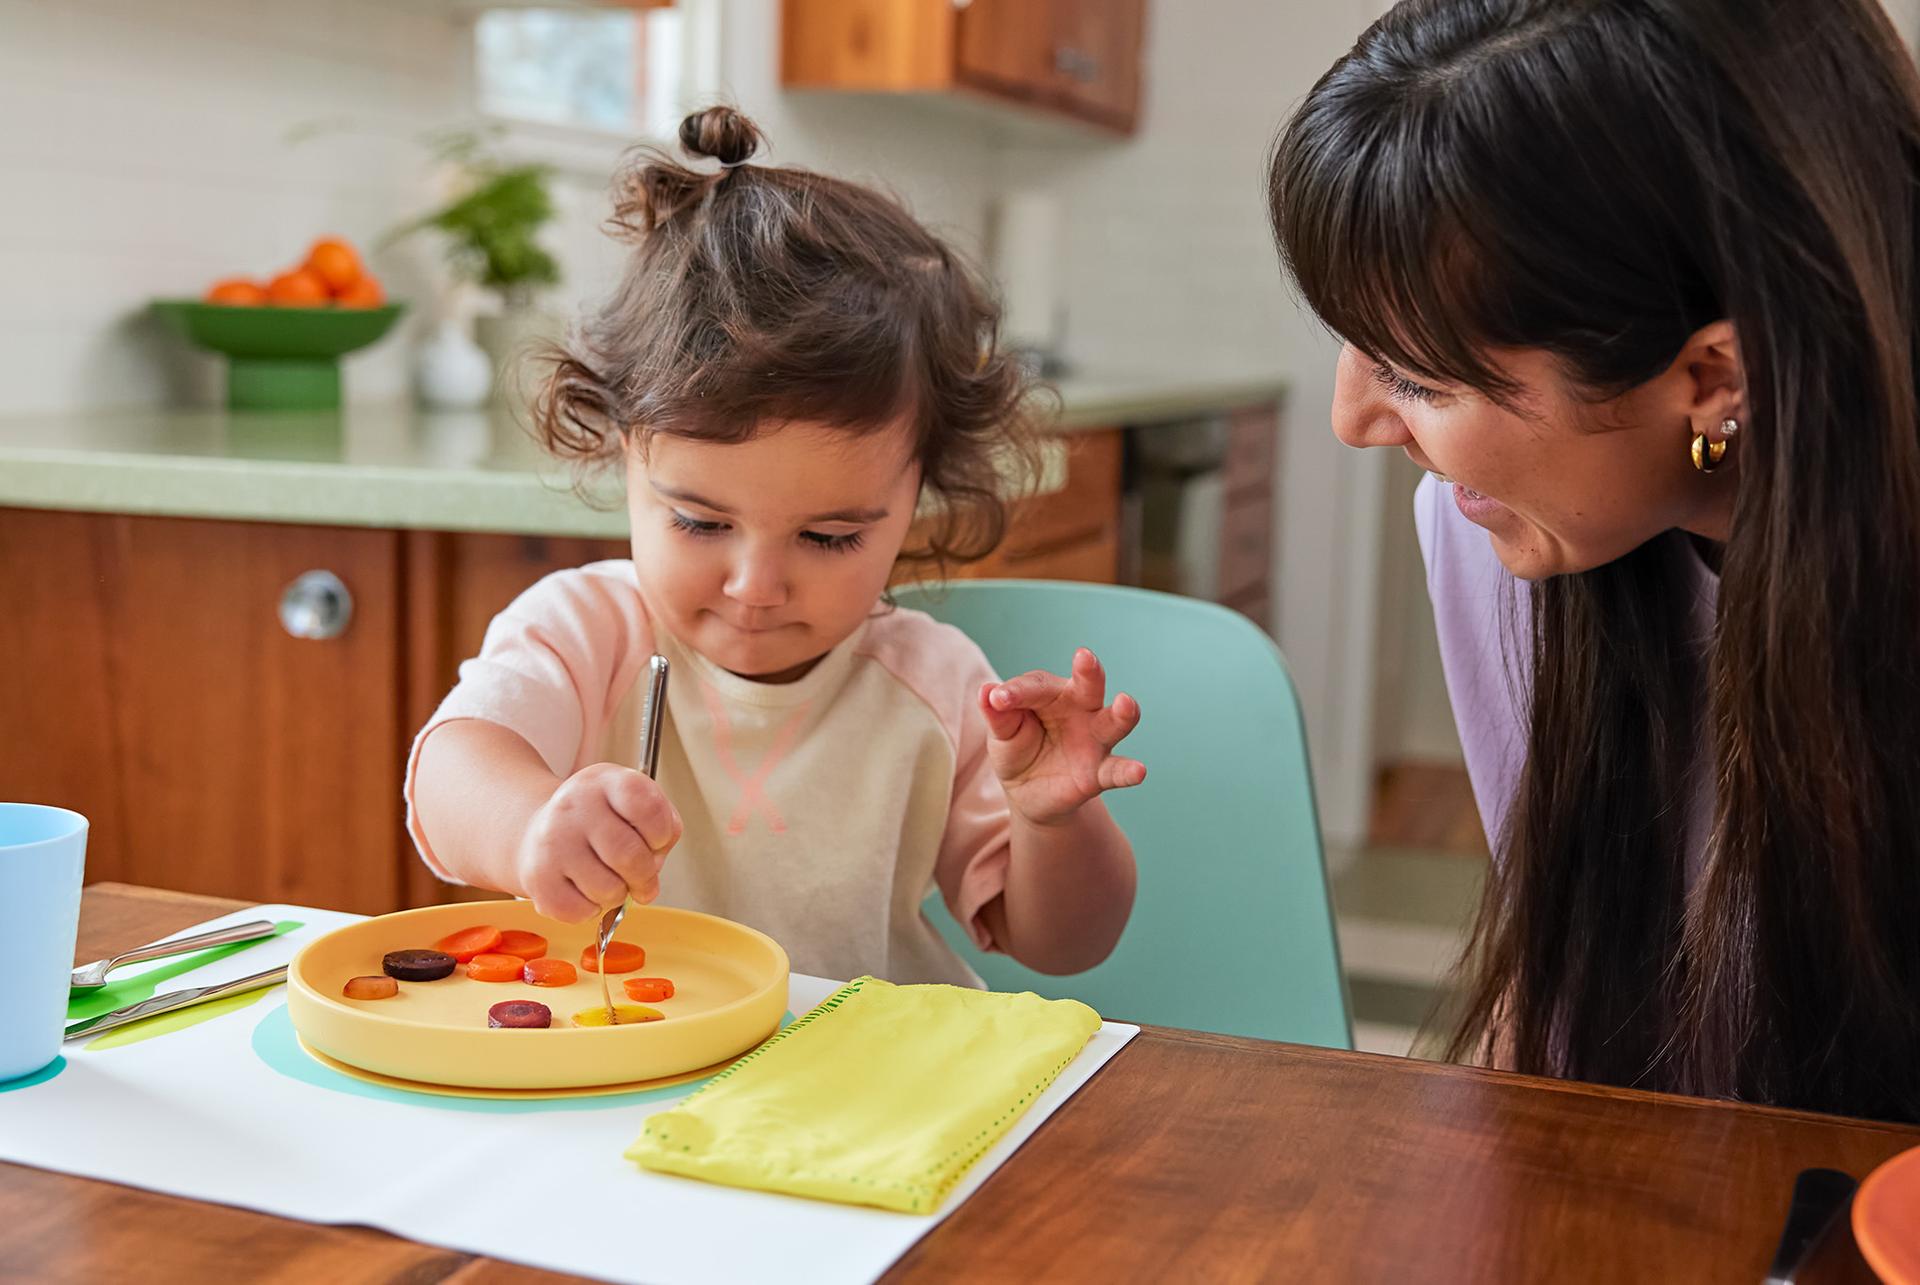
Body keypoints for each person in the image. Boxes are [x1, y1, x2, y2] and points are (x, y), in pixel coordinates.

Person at [1270, 0, 1920, 1119]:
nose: (1355, 419)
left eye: (1421, 376)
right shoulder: (1493, 547)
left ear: (1716, 377)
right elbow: (1563, 990)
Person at [407, 107, 1143, 986]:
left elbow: (1065, 944)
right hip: (631, 1077)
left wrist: (1053, 824)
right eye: (700, 522)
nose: (756, 586)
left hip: (868, 1085)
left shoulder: (934, 684)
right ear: (625, 450)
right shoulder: (585, 631)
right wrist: (530, 825)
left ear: (917, 494)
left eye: (828, 537)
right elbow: (449, 771)